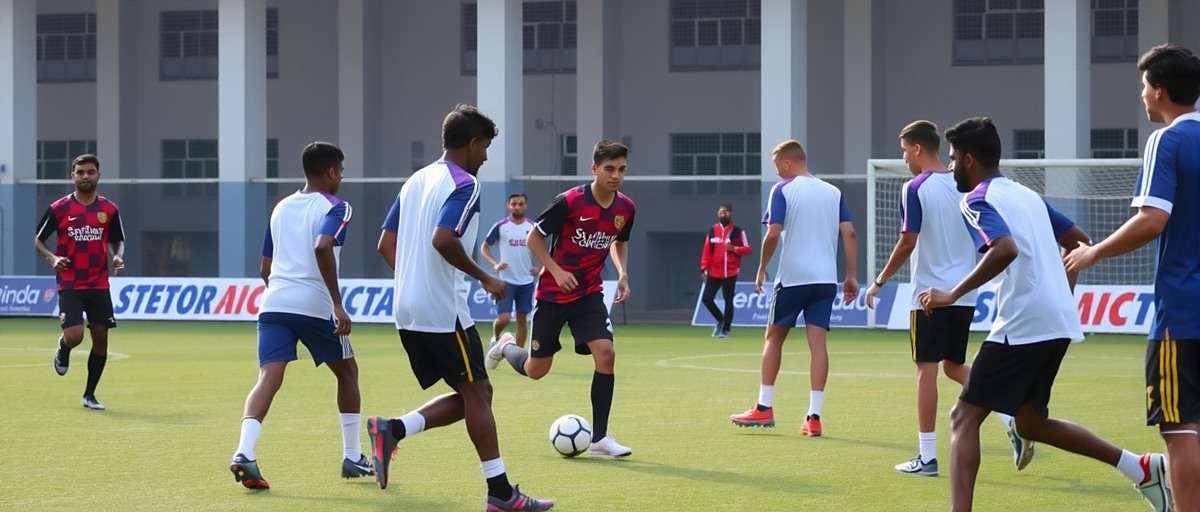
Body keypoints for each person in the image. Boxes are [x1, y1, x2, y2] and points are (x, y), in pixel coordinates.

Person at [923, 117, 1171, 511]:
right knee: (1031, 424)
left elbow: (1003, 250)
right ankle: (1140, 467)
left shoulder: (974, 199)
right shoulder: (1027, 195)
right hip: (1055, 320)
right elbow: (1079, 241)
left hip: (1022, 323)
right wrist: (1059, 291)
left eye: (953, 159)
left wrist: (952, 294)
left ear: (968, 159)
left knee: (963, 417)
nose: (951, 167)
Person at [371, 104, 552, 511]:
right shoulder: (465, 184)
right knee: (477, 394)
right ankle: (501, 494)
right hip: (442, 309)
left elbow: (385, 244)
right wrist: (485, 277)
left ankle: (393, 430)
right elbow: (443, 239)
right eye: (485, 147)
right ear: (472, 143)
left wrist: (413, 279)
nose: (486, 157)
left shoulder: (414, 181)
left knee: (476, 392)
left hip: (407, 308)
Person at [1066, 43, 1200, 511]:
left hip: (1183, 313)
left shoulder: (1168, 140)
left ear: (1160, 90)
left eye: (1144, 85)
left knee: (1181, 429)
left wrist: (1093, 253)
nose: (1141, 95)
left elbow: (1152, 219)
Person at [865, 121, 1024, 476]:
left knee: (926, 370)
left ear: (918, 149)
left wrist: (879, 280)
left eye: (905, 150)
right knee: (953, 366)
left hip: (929, 296)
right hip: (964, 293)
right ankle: (1008, 414)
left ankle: (927, 456)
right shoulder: (965, 185)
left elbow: (908, 241)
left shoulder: (915, 187)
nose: (903, 157)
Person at [228, 142, 371, 490]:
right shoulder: (337, 207)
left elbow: (265, 266)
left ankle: (244, 452)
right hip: (314, 304)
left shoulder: (280, 207)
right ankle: (352, 456)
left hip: (274, 303)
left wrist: (282, 288)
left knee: (268, 378)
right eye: (342, 171)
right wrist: (337, 304)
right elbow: (323, 246)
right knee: (348, 372)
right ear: (333, 172)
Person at [486, 139, 636, 458]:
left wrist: (622, 273)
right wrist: (554, 270)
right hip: (554, 294)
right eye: (609, 169)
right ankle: (505, 346)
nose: (616, 176)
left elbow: (619, 242)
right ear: (594, 168)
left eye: (621, 169)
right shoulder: (569, 201)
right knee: (537, 370)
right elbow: (534, 237)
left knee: (606, 354)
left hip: (589, 293)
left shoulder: (626, 208)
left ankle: (600, 438)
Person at [729, 140, 858, 437]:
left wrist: (762, 267)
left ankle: (764, 407)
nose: (777, 175)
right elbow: (849, 232)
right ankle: (814, 416)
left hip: (793, 278)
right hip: (826, 280)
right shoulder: (833, 191)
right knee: (818, 345)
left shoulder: (783, 190)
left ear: (787, 163)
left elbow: (773, 232)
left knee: (773, 338)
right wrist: (851, 275)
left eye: (777, 168)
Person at [36, 154, 125, 411]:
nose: (85, 176)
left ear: (99, 175)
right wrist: (52, 258)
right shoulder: (59, 208)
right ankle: (63, 348)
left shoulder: (109, 209)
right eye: (80, 172)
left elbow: (118, 240)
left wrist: (118, 256)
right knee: (74, 336)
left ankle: (90, 395)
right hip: (70, 282)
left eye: (90, 172)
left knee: (101, 338)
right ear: (72, 176)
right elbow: (39, 239)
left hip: (99, 282)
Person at [481, 193, 540, 346]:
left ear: (526, 206)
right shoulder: (501, 226)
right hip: (505, 281)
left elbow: (543, 248)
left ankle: (519, 353)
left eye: (521, 204)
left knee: (522, 319)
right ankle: (496, 336)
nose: (517, 207)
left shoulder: (532, 227)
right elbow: (485, 247)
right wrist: (495, 263)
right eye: (514, 204)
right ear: (509, 206)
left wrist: (539, 267)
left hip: (526, 281)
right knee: (505, 318)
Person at [699, 202, 751, 338]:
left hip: (731, 272)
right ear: (718, 214)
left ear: (730, 213)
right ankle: (720, 320)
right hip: (714, 272)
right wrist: (704, 268)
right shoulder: (712, 230)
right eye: (721, 212)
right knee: (707, 298)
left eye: (726, 212)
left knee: (728, 300)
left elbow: (747, 249)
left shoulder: (738, 231)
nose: (723, 214)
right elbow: (706, 251)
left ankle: (726, 329)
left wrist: (734, 248)